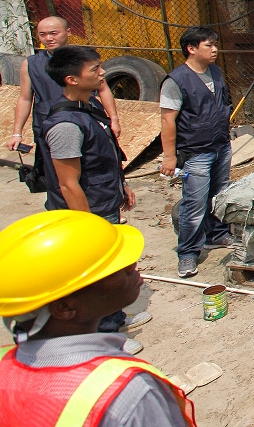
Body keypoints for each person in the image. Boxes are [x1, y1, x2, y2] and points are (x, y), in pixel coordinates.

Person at [0, 210, 195, 426]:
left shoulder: (4, 363)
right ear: (64, 307)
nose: (132, 266)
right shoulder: (129, 393)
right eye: (110, 267)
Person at [41, 45, 148, 349]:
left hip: (104, 202)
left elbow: (103, 158)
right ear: (72, 79)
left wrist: (121, 185)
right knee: (96, 277)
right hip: (87, 213)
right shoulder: (65, 125)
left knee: (111, 269)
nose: (102, 73)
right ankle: (106, 337)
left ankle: (115, 319)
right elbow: (68, 184)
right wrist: (89, 228)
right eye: (94, 69)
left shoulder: (88, 107)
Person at [7, 16, 121, 185]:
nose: (48, 38)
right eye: (43, 34)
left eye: (53, 33)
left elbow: (103, 88)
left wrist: (113, 119)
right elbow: (25, 98)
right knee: (58, 178)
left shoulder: (84, 59)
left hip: (86, 119)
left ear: (68, 32)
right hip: (49, 124)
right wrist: (17, 133)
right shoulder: (31, 64)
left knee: (95, 169)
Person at [159, 26, 233, 279]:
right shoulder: (176, 81)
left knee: (219, 193)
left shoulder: (215, 71)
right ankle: (188, 253)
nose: (214, 50)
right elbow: (168, 121)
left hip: (220, 145)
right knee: (195, 202)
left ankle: (216, 234)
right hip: (195, 151)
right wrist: (169, 156)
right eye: (208, 45)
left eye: (214, 44)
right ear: (191, 49)